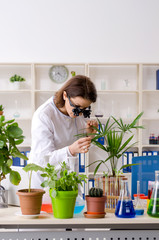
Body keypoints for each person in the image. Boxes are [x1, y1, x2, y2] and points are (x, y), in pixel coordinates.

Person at [29, 75, 98, 190]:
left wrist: (88, 135)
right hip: (45, 181)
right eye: (77, 107)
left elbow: (77, 140)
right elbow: (43, 159)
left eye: (84, 109)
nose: (80, 113)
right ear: (65, 95)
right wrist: (70, 150)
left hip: (68, 178)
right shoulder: (44, 116)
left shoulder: (77, 112)